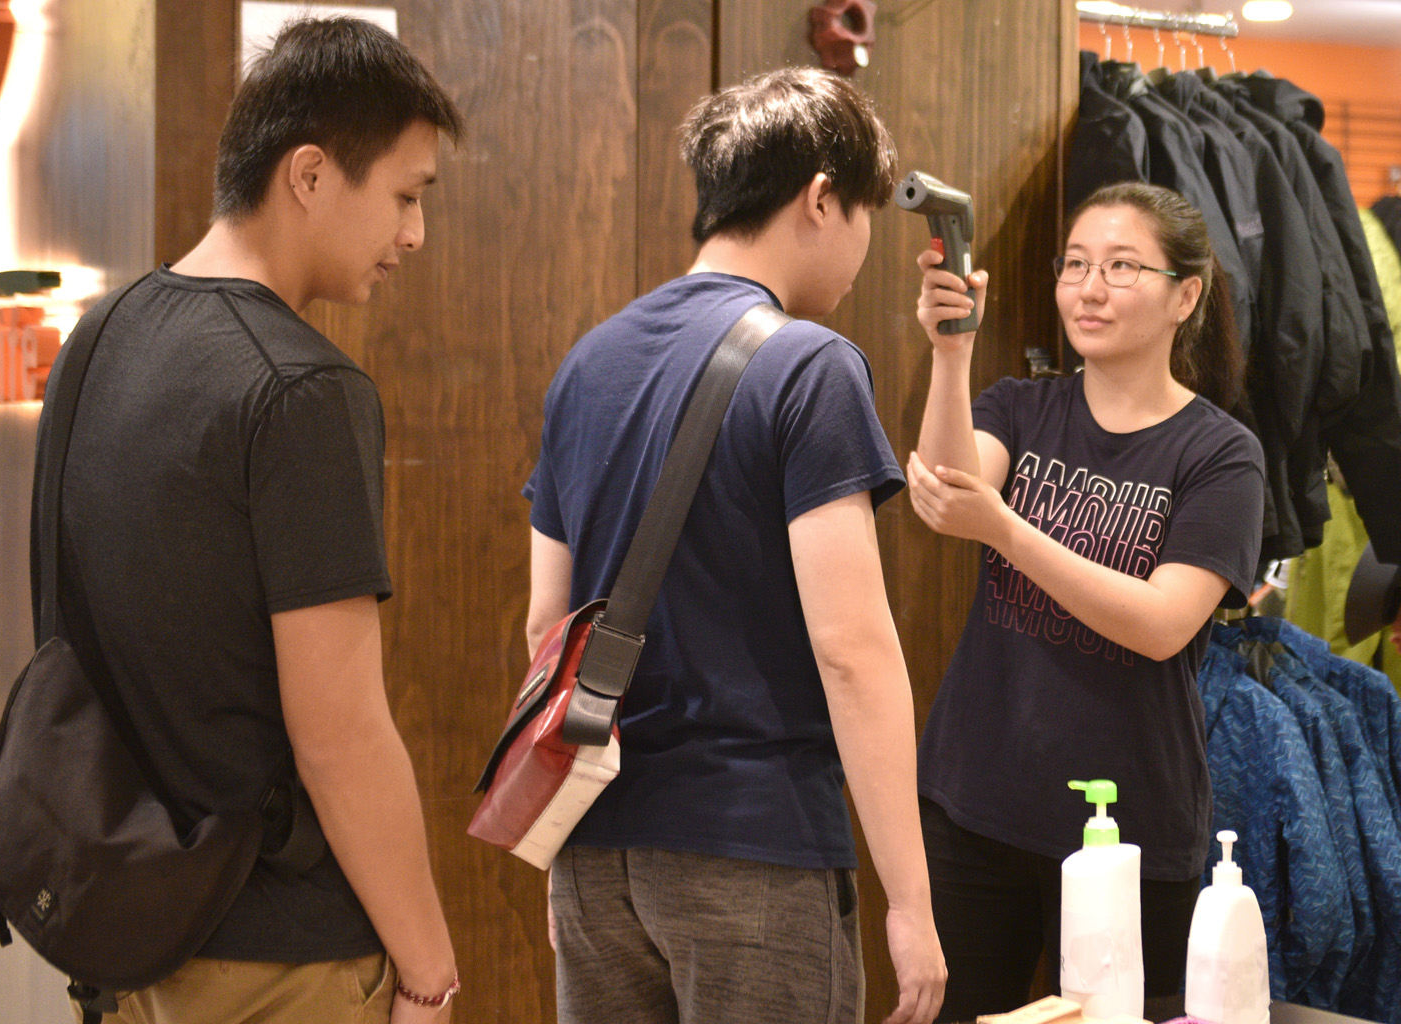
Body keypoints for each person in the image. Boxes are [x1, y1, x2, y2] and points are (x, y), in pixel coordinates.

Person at [33, 18, 464, 1024]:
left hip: (124, 921)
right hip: (277, 960)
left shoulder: (102, 336)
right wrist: (430, 967)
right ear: (309, 175)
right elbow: (342, 734)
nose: (414, 233)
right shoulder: (304, 389)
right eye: (404, 195)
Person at [523, 67, 945, 1024]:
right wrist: (911, 903)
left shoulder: (587, 363)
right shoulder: (809, 365)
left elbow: (547, 625)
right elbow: (852, 651)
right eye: (865, 213)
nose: (863, 246)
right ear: (822, 197)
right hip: (753, 847)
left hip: (594, 845)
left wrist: (559, 848)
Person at [907, 181, 1266, 1021]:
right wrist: (952, 352)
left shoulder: (1221, 455)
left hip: (1134, 826)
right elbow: (946, 496)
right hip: (977, 805)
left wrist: (1009, 532)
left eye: (1120, 267)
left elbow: (1161, 623)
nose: (1088, 287)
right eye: (1074, 265)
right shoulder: (1020, 406)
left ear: (1186, 294)